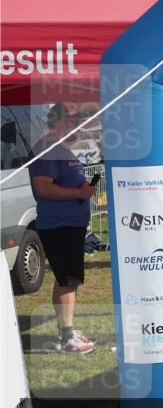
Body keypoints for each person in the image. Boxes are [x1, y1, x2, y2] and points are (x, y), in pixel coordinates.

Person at [28, 104, 97, 354]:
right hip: (59, 225)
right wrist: (79, 192)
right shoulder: (47, 148)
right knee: (68, 279)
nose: (77, 124)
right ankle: (67, 338)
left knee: (65, 279)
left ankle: (65, 331)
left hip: (70, 224)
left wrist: (82, 189)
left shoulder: (62, 148)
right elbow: (44, 188)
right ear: (60, 121)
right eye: (73, 120)